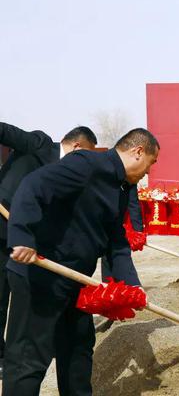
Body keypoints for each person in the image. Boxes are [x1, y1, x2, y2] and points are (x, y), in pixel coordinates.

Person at [3, 128, 159, 396]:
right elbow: (32, 187)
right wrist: (23, 237)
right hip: (40, 274)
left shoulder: (120, 186)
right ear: (138, 152)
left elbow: (116, 239)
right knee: (29, 359)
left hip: (75, 280)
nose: (148, 172)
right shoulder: (86, 164)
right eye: (151, 164)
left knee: (77, 351)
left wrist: (130, 285)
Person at [0, 123, 97, 378]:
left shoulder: (72, 177)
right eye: (86, 154)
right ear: (77, 146)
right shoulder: (40, 145)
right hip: (2, 230)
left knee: (22, 301)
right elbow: (3, 132)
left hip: (30, 244)